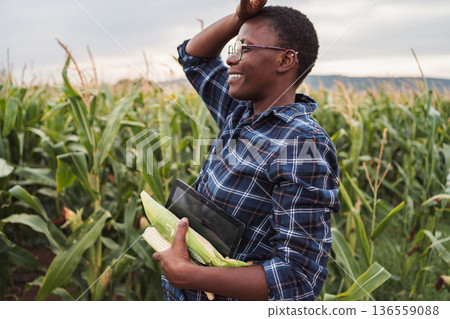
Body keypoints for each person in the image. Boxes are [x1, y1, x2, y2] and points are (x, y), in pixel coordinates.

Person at [152, 0, 340, 301]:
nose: (231, 60)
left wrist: (191, 276)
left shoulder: (303, 144)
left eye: (245, 49)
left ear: (285, 60)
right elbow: (192, 56)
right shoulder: (240, 111)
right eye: (232, 49)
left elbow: (298, 279)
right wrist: (238, 17)